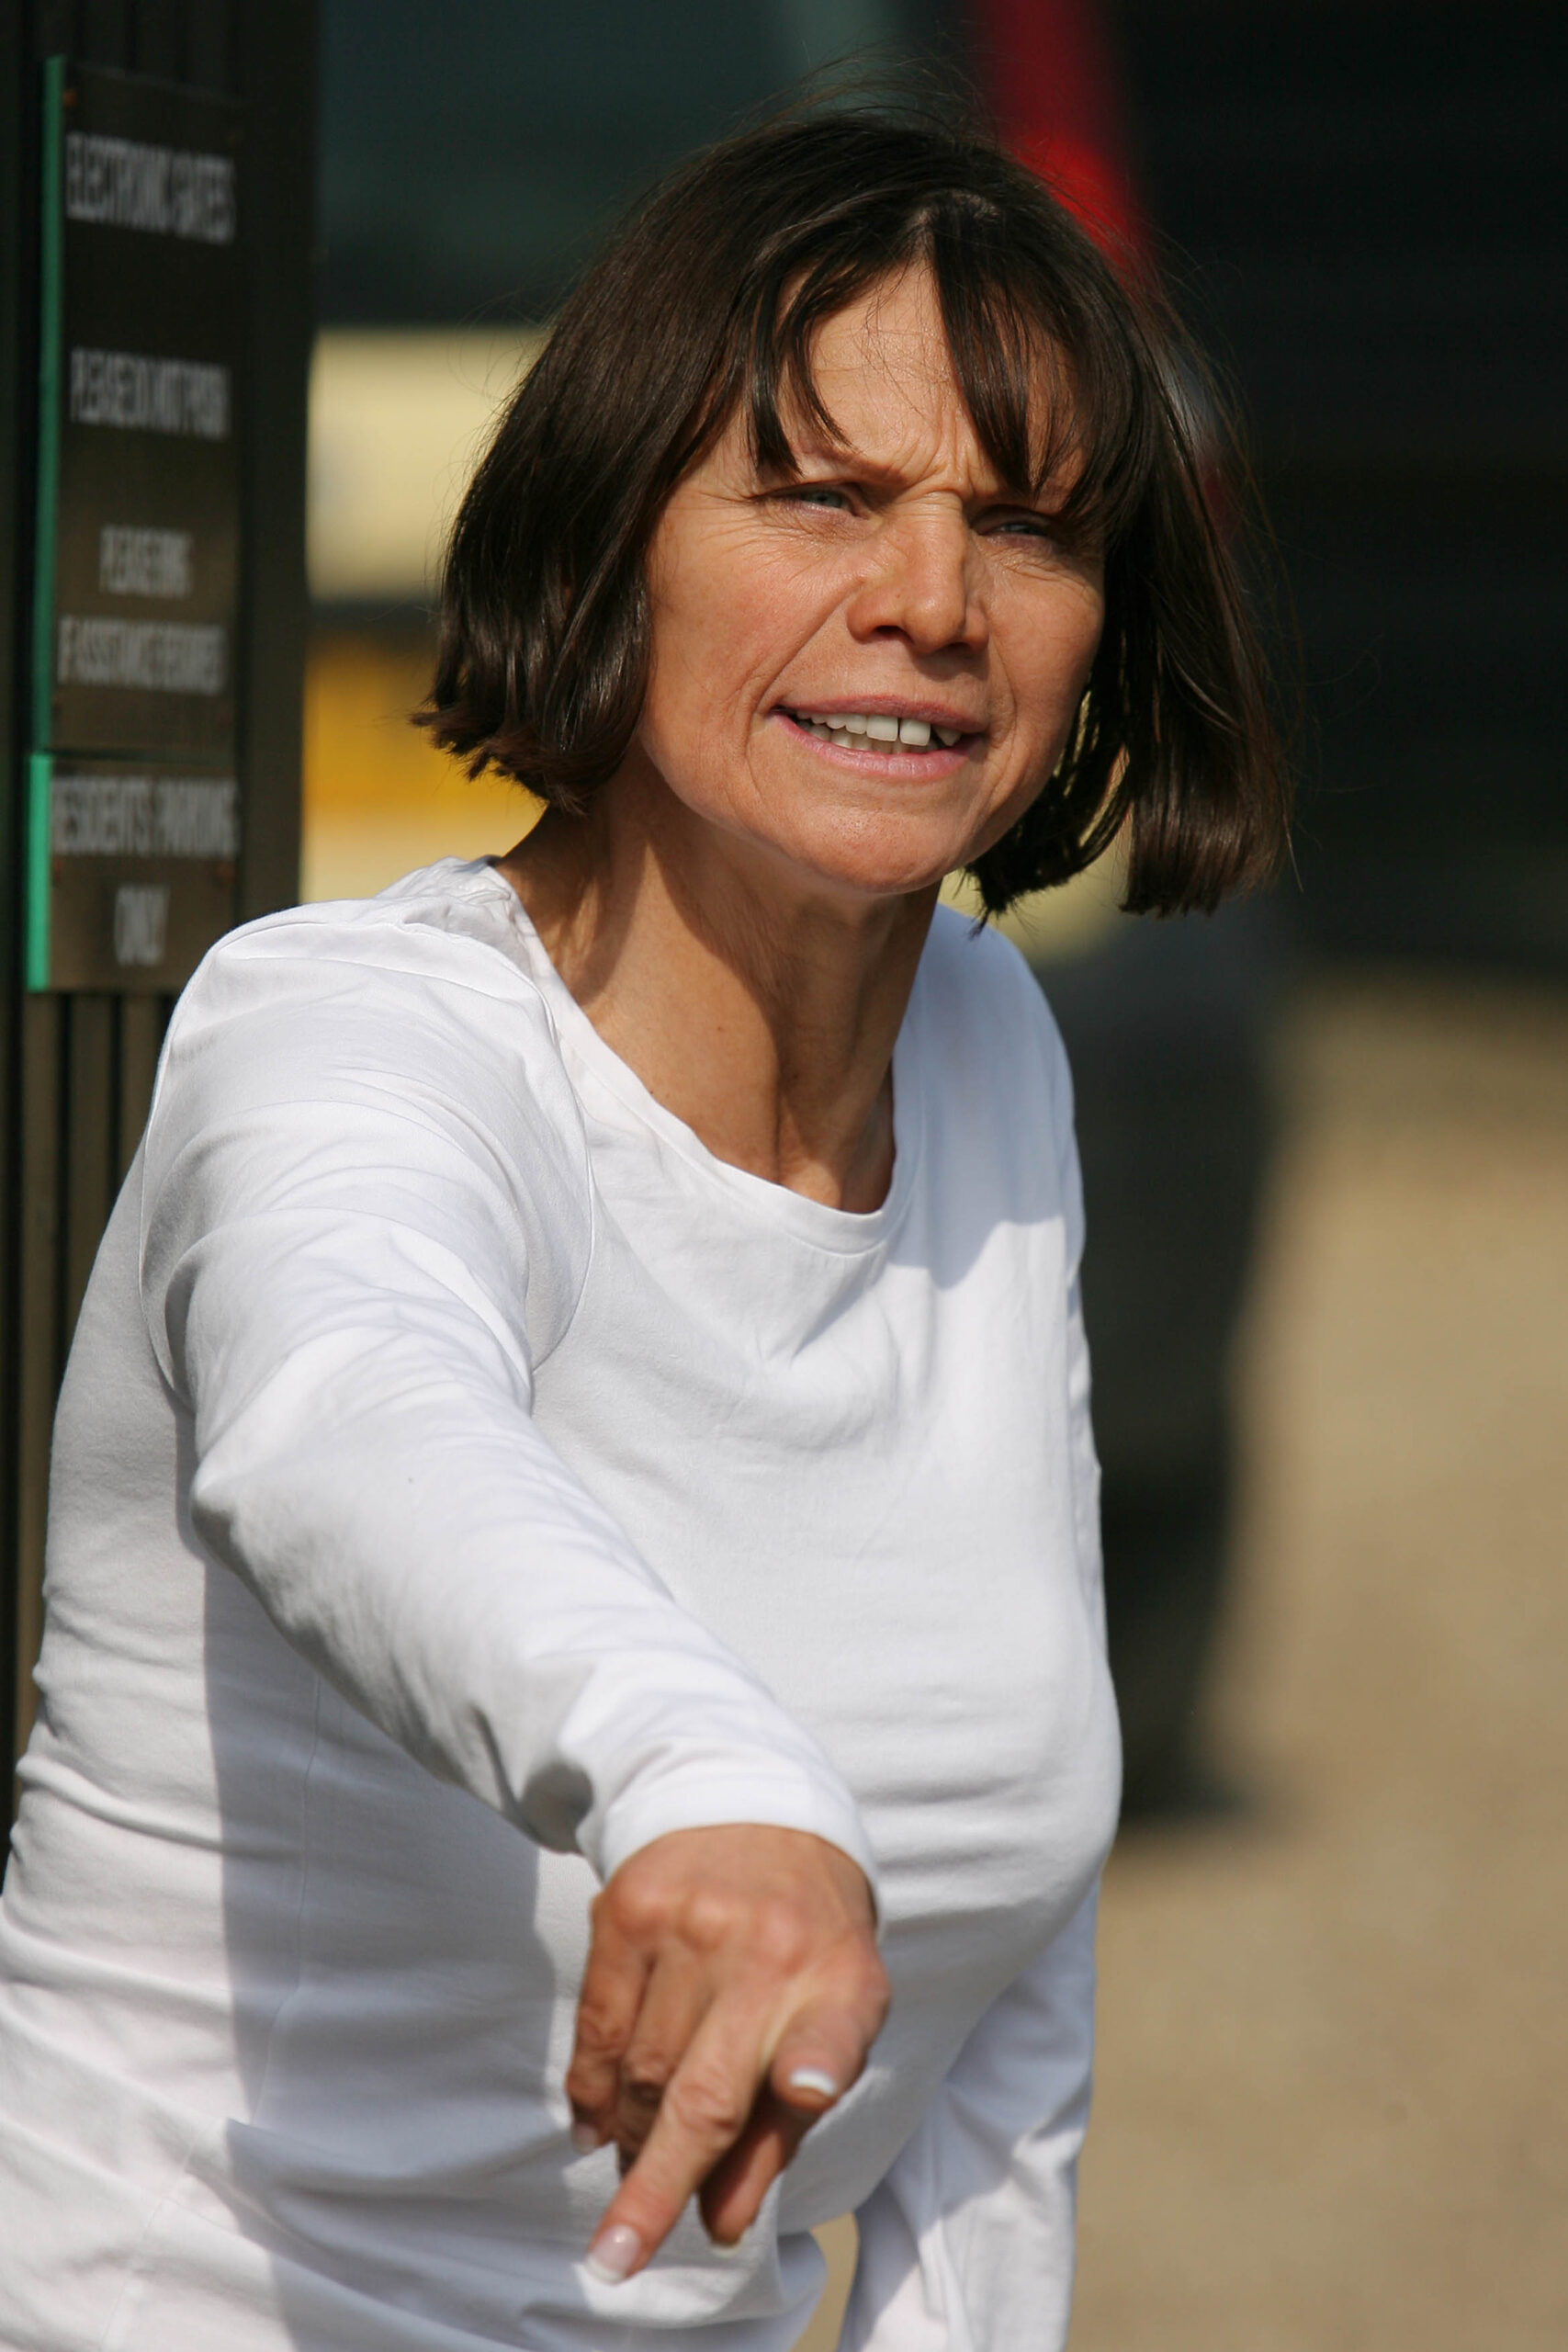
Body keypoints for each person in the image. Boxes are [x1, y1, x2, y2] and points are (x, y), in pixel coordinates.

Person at [0, 104, 1284, 2352]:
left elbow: (1001, 2000)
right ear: (611, 541)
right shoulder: (350, 1037)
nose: (930, 599)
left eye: (1026, 525)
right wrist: (709, 1780)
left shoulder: (985, 1055)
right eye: (822, 492)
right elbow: (347, 1417)